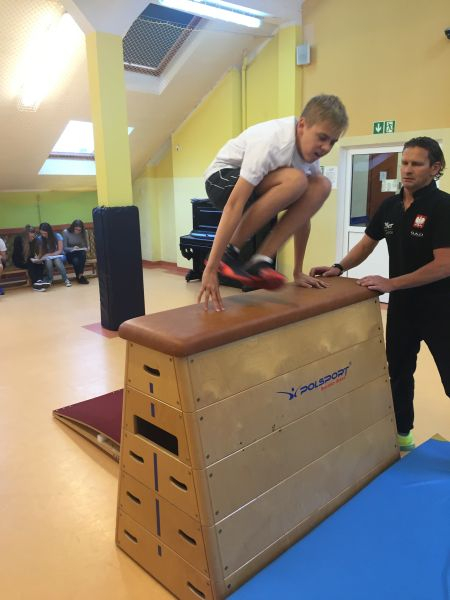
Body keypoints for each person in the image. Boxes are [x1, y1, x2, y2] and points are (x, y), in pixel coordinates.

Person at [310, 137, 450, 452]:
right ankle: (403, 437)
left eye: (417, 164)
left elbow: (444, 265)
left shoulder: (444, 207)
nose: (408, 170)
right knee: (398, 373)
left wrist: (392, 283)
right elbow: (366, 244)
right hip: (403, 309)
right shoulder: (390, 206)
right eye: (405, 162)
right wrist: (338, 267)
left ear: (435, 168)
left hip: (441, 309)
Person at [199, 94, 349, 312]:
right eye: (322, 137)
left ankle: (261, 259)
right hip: (221, 179)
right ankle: (229, 253)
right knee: (296, 180)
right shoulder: (272, 141)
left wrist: (298, 271)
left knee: (321, 185)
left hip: (259, 187)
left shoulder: (310, 159)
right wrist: (212, 267)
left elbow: (303, 216)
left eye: (332, 142)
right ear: (302, 125)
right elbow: (234, 204)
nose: (326, 147)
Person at [12, 225, 48, 291]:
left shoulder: (35, 240)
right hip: (19, 260)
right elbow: (18, 254)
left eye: (34, 234)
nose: (33, 236)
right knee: (31, 263)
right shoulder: (18, 239)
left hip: (30, 259)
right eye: (31, 234)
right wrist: (30, 258)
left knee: (40, 262)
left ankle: (40, 281)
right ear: (26, 234)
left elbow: (36, 252)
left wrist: (37, 258)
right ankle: (35, 284)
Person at [37, 222, 71, 288]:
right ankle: (50, 280)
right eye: (42, 233)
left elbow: (60, 250)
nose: (43, 235)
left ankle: (66, 279)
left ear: (49, 231)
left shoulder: (57, 236)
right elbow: (40, 252)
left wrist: (49, 254)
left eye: (45, 233)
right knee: (48, 261)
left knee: (57, 260)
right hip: (48, 258)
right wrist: (38, 258)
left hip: (60, 256)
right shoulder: (40, 238)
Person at [63, 220, 89, 284]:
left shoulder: (84, 232)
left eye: (79, 230)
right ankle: (80, 276)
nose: (78, 231)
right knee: (75, 260)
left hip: (80, 253)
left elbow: (86, 245)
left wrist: (87, 248)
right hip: (70, 253)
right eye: (76, 229)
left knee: (83, 254)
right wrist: (72, 248)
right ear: (72, 227)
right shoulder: (66, 232)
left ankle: (80, 275)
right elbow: (64, 248)